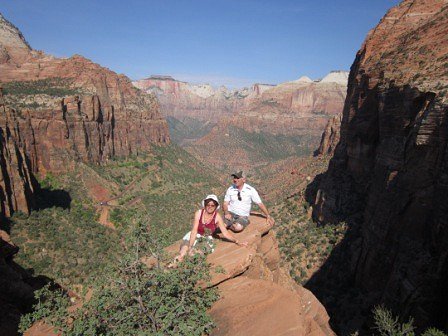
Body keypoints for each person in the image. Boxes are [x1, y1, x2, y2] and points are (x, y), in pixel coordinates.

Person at [172, 194, 247, 265]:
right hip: (193, 236)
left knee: (194, 254)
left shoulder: (217, 217)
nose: (210, 207)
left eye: (212, 205)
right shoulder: (199, 213)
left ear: (216, 206)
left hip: (206, 239)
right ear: (204, 205)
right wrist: (191, 246)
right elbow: (194, 230)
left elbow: (225, 233)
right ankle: (171, 269)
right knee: (182, 253)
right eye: (208, 204)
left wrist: (237, 241)